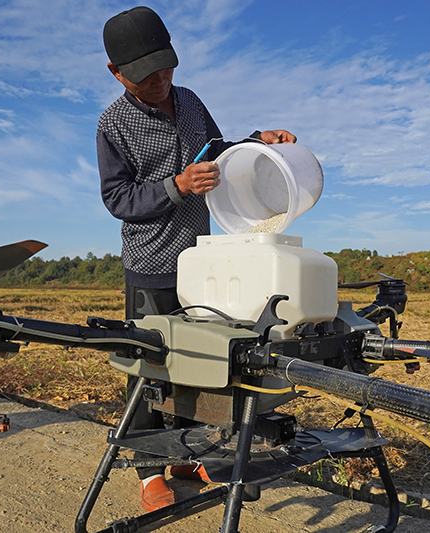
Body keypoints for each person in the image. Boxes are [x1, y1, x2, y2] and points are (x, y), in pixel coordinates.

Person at [97, 6, 296, 512]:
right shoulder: (113, 124)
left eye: (167, 67)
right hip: (151, 263)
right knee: (148, 366)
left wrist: (258, 141)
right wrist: (177, 185)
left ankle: (185, 455)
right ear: (117, 74)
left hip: (201, 263)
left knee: (194, 361)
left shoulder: (188, 100)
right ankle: (147, 470)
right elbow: (117, 199)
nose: (161, 80)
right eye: (147, 75)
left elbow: (218, 151)